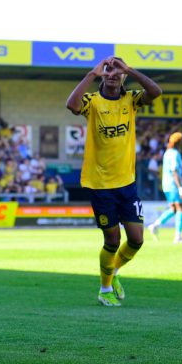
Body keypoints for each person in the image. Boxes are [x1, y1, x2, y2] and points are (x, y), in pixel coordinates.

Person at [66, 56, 162, 307]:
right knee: (112, 240)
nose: (113, 74)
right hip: (99, 184)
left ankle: (114, 271)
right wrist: (92, 74)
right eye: (108, 71)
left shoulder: (131, 100)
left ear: (124, 77)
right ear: (102, 75)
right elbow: (71, 105)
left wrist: (129, 69)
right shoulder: (92, 101)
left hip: (126, 183)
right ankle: (105, 288)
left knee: (137, 239)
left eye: (118, 72)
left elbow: (156, 92)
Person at [147, 132, 182, 243]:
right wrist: (180, 188)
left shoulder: (167, 153)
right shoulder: (175, 154)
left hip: (166, 185)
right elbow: (174, 171)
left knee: (173, 209)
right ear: (180, 142)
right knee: (181, 208)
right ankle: (178, 236)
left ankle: (155, 225)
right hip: (174, 185)